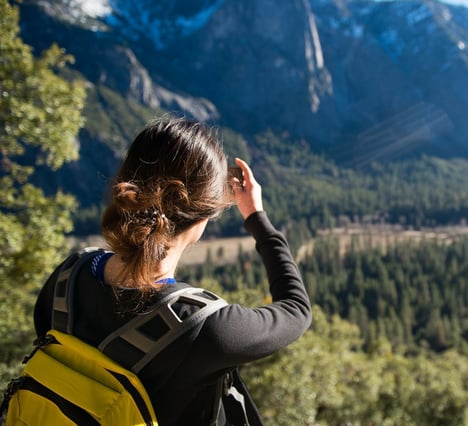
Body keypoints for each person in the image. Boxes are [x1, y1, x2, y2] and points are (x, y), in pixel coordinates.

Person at [32, 116, 312, 425]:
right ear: (207, 214)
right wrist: (257, 219)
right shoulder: (206, 329)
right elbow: (297, 310)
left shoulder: (66, 281)